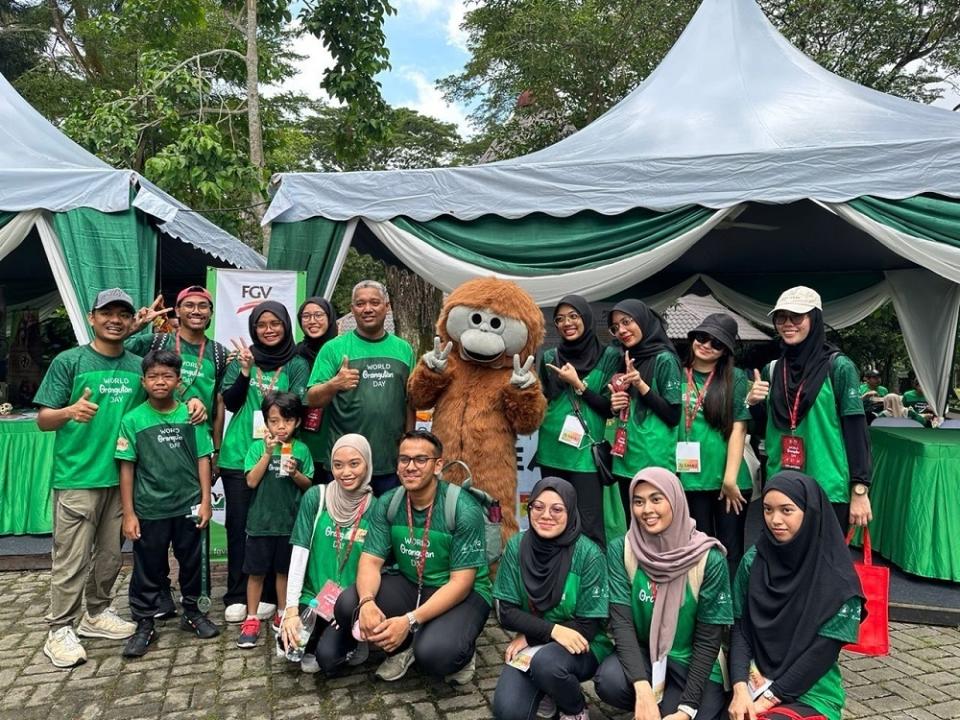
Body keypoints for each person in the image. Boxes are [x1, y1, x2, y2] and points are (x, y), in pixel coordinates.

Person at [34, 288, 144, 668]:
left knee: (111, 557)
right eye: (107, 312)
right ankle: (59, 629)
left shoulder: (137, 365)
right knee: (72, 559)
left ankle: (96, 614)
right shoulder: (69, 361)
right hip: (77, 477)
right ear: (91, 317)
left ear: (131, 322)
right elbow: (43, 420)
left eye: (122, 314)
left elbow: (158, 403)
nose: (115, 319)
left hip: (120, 480)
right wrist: (69, 411)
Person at [334, 429, 492, 685]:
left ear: (438, 465)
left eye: (421, 460)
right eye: (404, 459)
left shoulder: (462, 507)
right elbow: (371, 561)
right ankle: (403, 647)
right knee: (347, 605)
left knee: (436, 656)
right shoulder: (388, 503)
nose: (410, 467)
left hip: (460, 591)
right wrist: (366, 602)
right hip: (412, 582)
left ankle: (462, 650)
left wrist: (409, 620)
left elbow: (461, 583)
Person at [594, 467, 730, 720]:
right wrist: (642, 689)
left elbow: (708, 639)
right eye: (638, 501)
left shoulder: (707, 559)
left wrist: (687, 708)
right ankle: (651, 699)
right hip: (648, 656)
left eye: (657, 499)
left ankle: (678, 701)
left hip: (693, 661)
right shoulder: (622, 550)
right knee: (609, 680)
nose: (647, 510)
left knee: (685, 713)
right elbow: (621, 624)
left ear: (676, 501)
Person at [125, 285, 228, 618]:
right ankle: (160, 594)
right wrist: (137, 326)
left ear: (211, 314)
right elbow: (118, 347)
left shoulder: (218, 353)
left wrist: (216, 449)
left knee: (188, 531)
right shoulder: (156, 342)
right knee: (155, 533)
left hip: (196, 446)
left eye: (203, 306)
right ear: (178, 310)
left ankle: (192, 603)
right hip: (156, 443)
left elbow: (219, 404)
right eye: (189, 306)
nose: (196, 311)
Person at [728, 471, 864, 720]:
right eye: (768, 510)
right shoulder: (754, 560)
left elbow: (822, 653)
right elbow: (740, 628)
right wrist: (739, 688)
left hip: (811, 692)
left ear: (810, 511)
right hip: (752, 679)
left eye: (786, 510)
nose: (775, 520)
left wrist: (767, 701)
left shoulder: (840, 582)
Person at [117, 350, 220, 657]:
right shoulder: (132, 420)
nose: (160, 382)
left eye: (167, 376)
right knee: (147, 567)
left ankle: (193, 612)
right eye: (153, 376)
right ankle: (145, 623)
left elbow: (203, 459)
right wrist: (129, 514)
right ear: (143, 381)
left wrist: (205, 501)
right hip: (150, 508)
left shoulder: (192, 416)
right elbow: (126, 467)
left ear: (179, 381)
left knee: (192, 563)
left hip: (188, 506)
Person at [745, 287, 872, 531]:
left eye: (797, 317)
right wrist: (752, 403)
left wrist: (860, 489)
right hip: (782, 486)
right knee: (784, 561)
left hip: (827, 486)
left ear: (814, 319)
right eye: (781, 318)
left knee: (824, 563)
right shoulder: (773, 369)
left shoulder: (838, 367)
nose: (788, 324)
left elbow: (856, 431)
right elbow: (765, 428)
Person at [219, 301, 311, 623]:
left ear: (286, 326)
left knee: (274, 528)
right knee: (240, 527)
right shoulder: (243, 358)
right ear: (253, 328)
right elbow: (230, 401)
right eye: (262, 324)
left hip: (281, 457)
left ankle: (271, 596)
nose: (269, 329)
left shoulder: (296, 364)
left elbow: (298, 404)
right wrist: (244, 370)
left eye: (275, 323)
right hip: (239, 455)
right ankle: (236, 594)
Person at [492, 477, 610, 720]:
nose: (546, 515)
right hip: (539, 640)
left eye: (557, 509)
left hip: (584, 644)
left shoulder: (589, 554)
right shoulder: (517, 546)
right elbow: (505, 611)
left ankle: (574, 709)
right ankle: (548, 690)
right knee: (508, 713)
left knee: (548, 664)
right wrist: (551, 631)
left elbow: (589, 625)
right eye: (538, 507)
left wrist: (531, 633)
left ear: (570, 510)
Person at [306, 280, 416, 496]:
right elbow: (312, 398)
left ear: (387, 306)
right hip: (346, 465)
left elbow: (410, 402)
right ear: (352, 309)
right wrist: (334, 384)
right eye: (360, 303)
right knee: (345, 527)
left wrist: (409, 445)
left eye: (374, 302)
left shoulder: (404, 349)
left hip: (391, 463)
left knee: (386, 526)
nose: (367, 309)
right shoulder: (333, 349)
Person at [282, 433, 376, 674]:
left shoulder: (375, 508)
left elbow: (378, 566)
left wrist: (354, 606)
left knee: (327, 660)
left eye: (354, 464)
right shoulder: (317, 497)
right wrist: (290, 610)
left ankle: (356, 638)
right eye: (338, 465)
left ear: (367, 463)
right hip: (314, 596)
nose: (346, 472)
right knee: (289, 648)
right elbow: (299, 553)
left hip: (349, 601)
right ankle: (325, 635)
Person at [536, 295, 620, 546]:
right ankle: (556, 576)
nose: (566, 323)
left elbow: (608, 409)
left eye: (573, 316)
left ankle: (588, 579)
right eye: (560, 319)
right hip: (552, 448)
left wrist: (578, 385)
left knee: (589, 525)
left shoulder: (609, 357)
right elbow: (544, 399)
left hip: (586, 454)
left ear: (586, 318)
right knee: (552, 520)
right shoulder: (551, 356)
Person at [237, 391, 314, 648]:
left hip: (289, 526)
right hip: (260, 524)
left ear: (298, 422)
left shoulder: (301, 449)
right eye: (274, 421)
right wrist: (268, 453)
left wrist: (295, 473)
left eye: (287, 421)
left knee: (283, 572)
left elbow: (308, 486)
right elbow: (250, 481)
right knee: (256, 573)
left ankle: (283, 613)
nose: (281, 427)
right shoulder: (257, 446)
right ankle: (251, 617)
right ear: (265, 423)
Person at [678, 313, 753, 570]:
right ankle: (704, 607)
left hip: (729, 482)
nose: (707, 345)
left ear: (725, 351)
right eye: (702, 337)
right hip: (689, 478)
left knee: (730, 552)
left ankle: (731, 608)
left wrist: (730, 479)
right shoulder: (675, 375)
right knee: (698, 551)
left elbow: (739, 428)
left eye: (717, 343)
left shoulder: (736, 378)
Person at [608, 300, 682, 516]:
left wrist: (641, 385)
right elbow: (624, 406)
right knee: (632, 527)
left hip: (654, 460)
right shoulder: (627, 357)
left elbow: (672, 415)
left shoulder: (665, 359)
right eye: (615, 327)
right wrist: (615, 406)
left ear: (643, 320)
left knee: (656, 526)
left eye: (626, 321)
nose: (621, 330)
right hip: (625, 458)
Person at [295, 296, 338, 467]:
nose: (312, 321)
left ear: (330, 317)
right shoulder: (296, 353)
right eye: (306, 316)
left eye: (319, 315)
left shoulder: (341, 350)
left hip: (336, 432)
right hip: (304, 436)